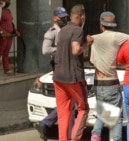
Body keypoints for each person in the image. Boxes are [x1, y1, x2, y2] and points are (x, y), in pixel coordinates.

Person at [89, 11, 129, 141]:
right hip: (111, 83)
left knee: (103, 112)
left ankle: (95, 134)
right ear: (113, 25)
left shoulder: (94, 39)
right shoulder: (117, 36)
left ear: (101, 25)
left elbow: (92, 61)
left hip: (98, 83)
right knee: (116, 117)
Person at [52, 4, 92, 141]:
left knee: (63, 112)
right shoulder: (77, 30)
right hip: (73, 78)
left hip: (58, 77)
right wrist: (87, 44)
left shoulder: (62, 30)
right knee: (83, 108)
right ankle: (75, 138)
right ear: (82, 17)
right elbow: (75, 50)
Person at [33, 6, 73, 141]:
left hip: (67, 67)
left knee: (67, 103)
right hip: (59, 68)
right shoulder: (52, 32)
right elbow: (45, 50)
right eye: (61, 17)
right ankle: (67, 134)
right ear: (55, 18)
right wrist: (60, 49)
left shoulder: (66, 29)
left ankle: (45, 123)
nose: (64, 19)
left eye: (65, 17)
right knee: (69, 103)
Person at [0, 0, 20, 75]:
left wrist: (15, 30)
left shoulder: (8, 10)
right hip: (3, 36)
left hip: (10, 35)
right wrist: (3, 32)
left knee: (6, 53)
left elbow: (11, 23)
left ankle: (6, 69)